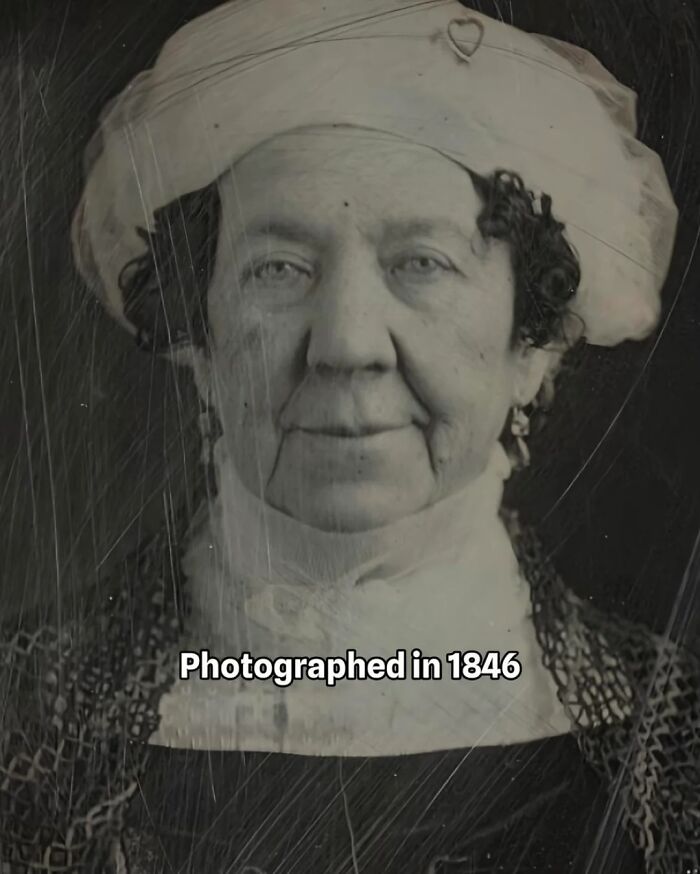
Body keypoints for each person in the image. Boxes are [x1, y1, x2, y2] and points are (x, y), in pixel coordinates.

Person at [2, 1, 698, 872]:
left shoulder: (676, 732)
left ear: (533, 343)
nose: (346, 344)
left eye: (422, 263)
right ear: (197, 339)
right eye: (280, 269)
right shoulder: (23, 712)